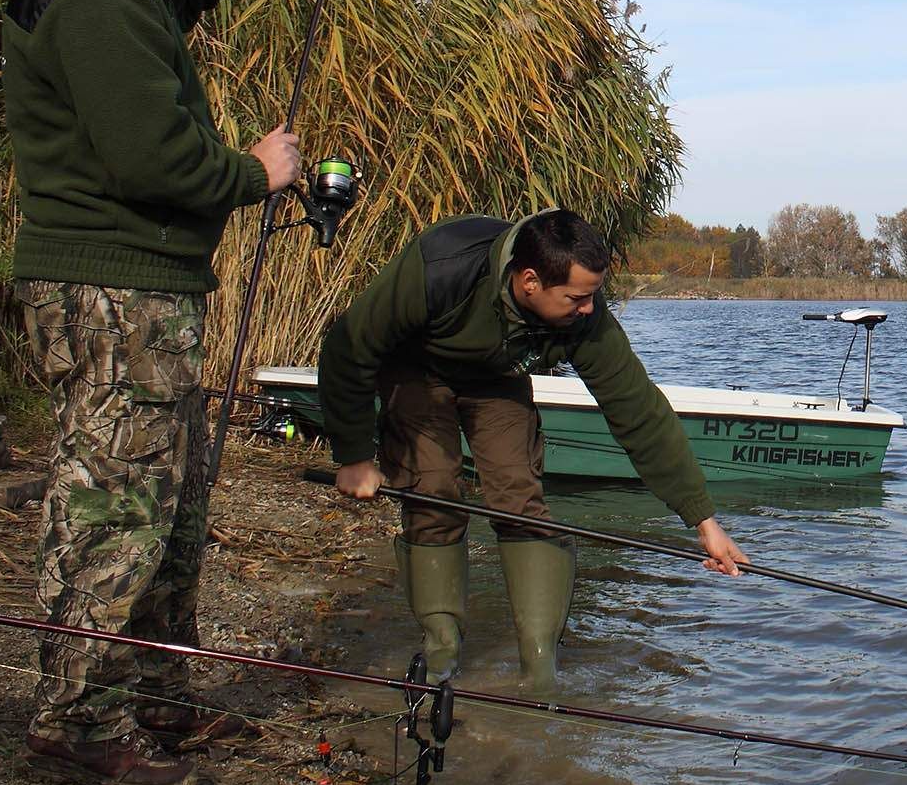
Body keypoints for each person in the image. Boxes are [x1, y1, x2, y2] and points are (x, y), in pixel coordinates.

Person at [4, 0, 340, 785]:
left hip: (137, 290)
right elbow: (152, 157)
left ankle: (163, 701)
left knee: (164, 510)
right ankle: (73, 725)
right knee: (112, 513)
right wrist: (256, 172)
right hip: (113, 294)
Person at [318, 209, 748, 694]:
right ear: (528, 282)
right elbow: (347, 349)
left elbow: (638, 410)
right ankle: (442, 645)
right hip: (417, 369)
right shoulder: (441, 266)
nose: (589, 308)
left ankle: (539, 666)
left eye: (592, 296)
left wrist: (703, 521)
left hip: (498, 380)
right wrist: (353, 455)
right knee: (433, 487)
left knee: (518, 497)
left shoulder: (584, 317)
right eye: (576, 298)